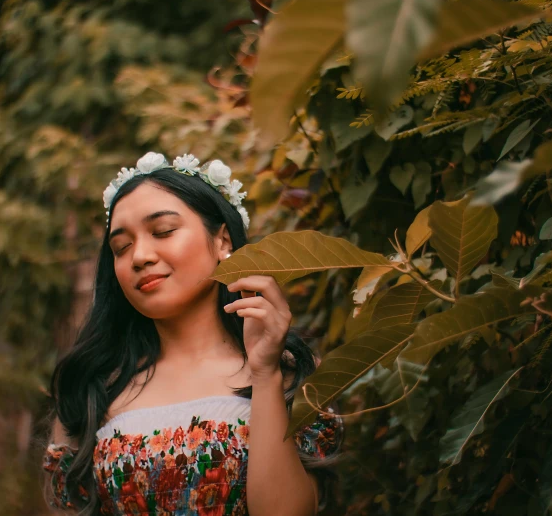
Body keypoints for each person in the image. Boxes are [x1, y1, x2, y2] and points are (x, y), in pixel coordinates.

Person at [42, 152, 344, 516]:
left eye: (164, 231)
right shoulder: (93, 388)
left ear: (223, 242)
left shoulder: (293, 375)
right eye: (121, 248)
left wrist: (265, 375)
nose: (139, 256)